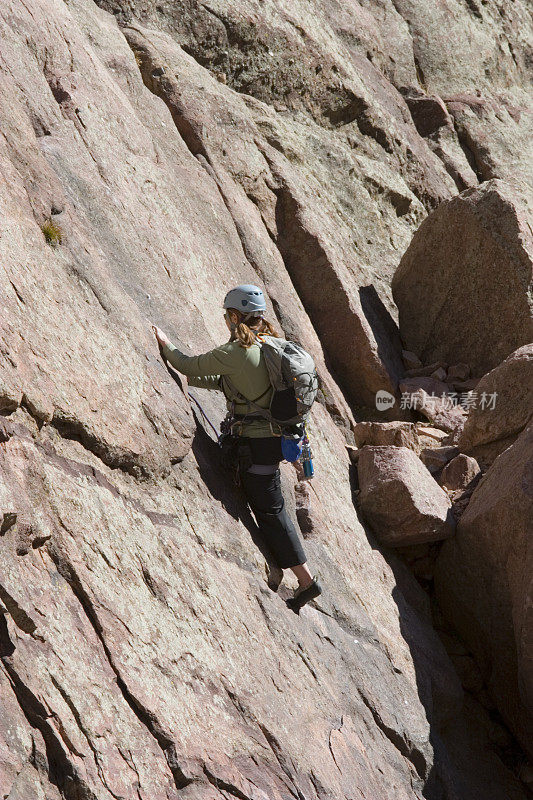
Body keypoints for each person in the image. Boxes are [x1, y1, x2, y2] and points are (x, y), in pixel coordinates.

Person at [153, 284, 322, 612]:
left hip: (257, 446)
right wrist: (195, 381)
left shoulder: (235, 352)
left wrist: (165, 343)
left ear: (233, 316)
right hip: (273, 440)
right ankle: (295, 575)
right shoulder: (266, 346)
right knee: (267, 506)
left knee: (270, 512)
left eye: (227, 315)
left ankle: (306, 581)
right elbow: (231, 383)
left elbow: (187, 364)